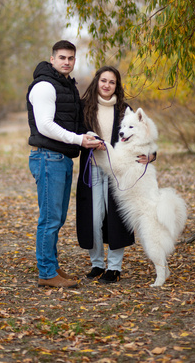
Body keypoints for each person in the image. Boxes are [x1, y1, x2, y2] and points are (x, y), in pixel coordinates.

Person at [27, 40, 101, 288]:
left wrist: (89, 136)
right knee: (49, 219)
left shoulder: (66, 85)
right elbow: (45, 125)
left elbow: (72, 122)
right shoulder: (45, 86)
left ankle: (52, 266)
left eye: (70, 58)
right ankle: (46, 273)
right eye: (62, 57)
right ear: (52, 59)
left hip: (61, 158)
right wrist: (79, 139)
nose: (66, 62)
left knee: (56, 218)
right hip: (48, 157)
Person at [76, 66, 156, 284]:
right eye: (103, 80)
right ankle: (97, 264)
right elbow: (76, 135)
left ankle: (114, 267)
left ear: (116, 85)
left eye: (112, 82)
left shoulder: (125, 109)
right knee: (93, 219)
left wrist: (152, 155)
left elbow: (143, 136)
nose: (107, 85)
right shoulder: (85, 107)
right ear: (97, 82)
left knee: (116, 219)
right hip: (92, 169)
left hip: (120, 172)